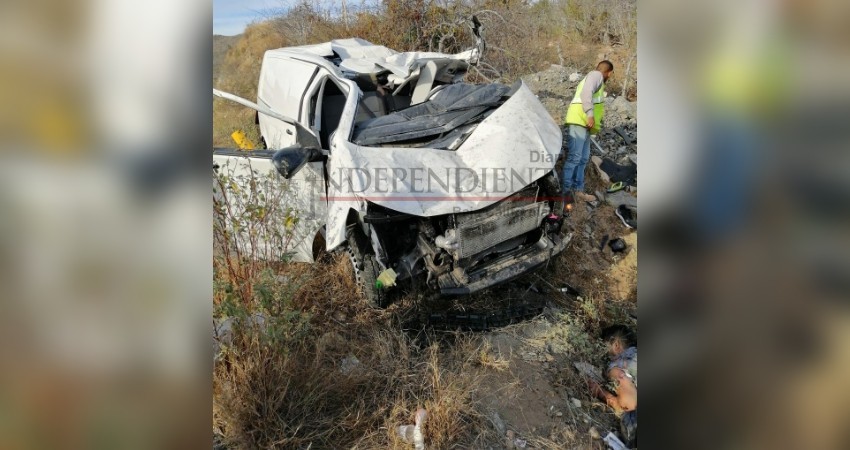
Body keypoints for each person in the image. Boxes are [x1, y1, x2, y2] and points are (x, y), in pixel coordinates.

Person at [562, 61, 614, 207]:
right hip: (579, 120)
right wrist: (590, 114)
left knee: (583, 158)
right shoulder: (596, 75)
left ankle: (578, 190)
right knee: (575, 157)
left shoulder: (597, 79)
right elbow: (586, 93)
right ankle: (565, 194)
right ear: (609, 73)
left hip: (585, 125)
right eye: (610, 74)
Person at [588, 324, 637, 447]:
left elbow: (628, 405)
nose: (607, 356)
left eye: (605, 349)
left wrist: (599, 391)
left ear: (616, 345)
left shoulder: (619, 365)